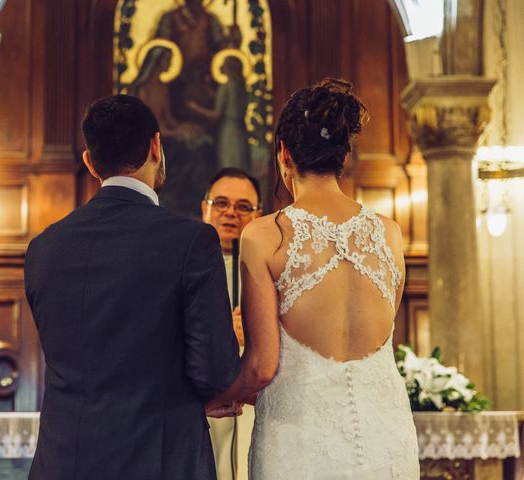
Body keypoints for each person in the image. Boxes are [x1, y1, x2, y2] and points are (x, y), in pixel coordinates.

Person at [206, 79, 420, 479]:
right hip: (387, 438)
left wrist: (219, 398)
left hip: (300, 443)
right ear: (343, 154)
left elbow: (261, 367)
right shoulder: (388, 232)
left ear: (284, 153)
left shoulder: (265, 235)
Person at [24, 95, 242, 480]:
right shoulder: (191, 241)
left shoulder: (44, 247)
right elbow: (215, 370)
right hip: (160, 459)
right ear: (156, 146)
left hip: (64, 462)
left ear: (90, 163)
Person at [201, 168, 262, 480]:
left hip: (256, 405)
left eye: (242, 207)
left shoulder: (269, 271)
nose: (230, 214)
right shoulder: (183, 269)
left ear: (258, 214)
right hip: (203, 409)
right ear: (205, 208)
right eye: (221, 203)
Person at [188, 56, 250, 171]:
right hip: (241, 129)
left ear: (229, 68)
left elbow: (216, 114)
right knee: (240, 163)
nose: (221, 67)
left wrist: (195, 107)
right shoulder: (241, 87)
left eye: (224, 64)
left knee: (229, 163)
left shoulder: (225, 88)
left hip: (229, 130)